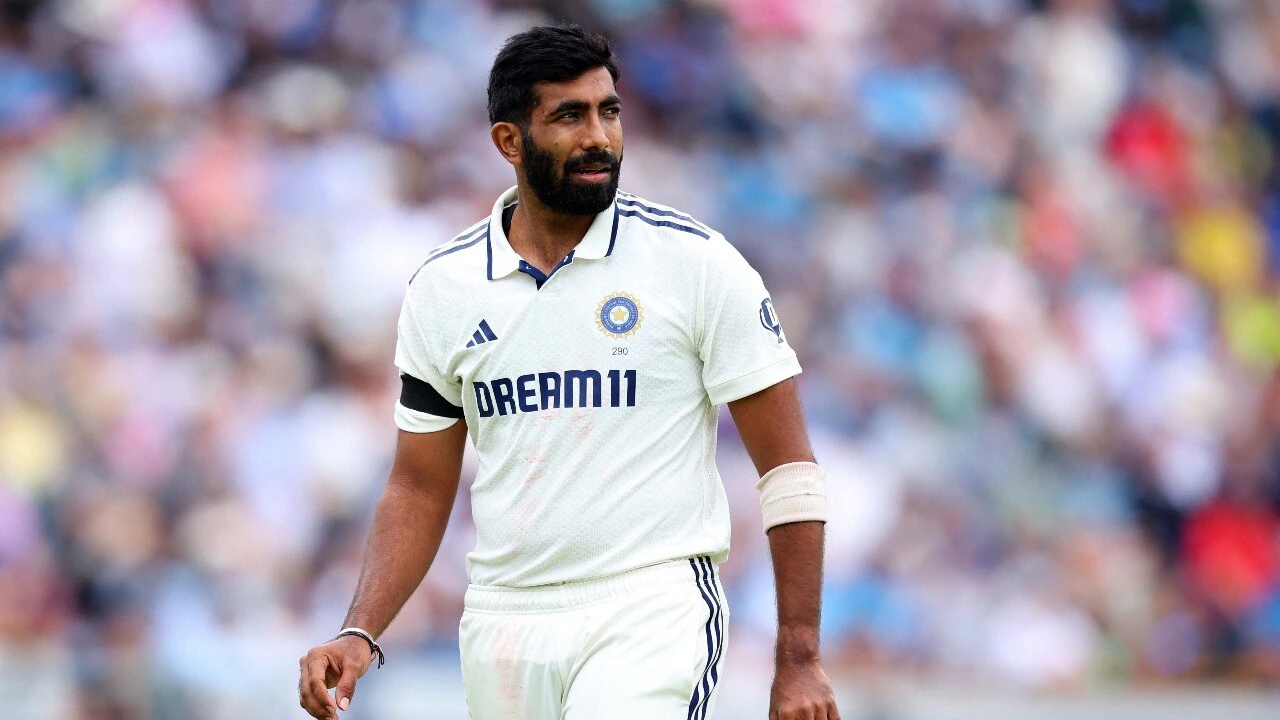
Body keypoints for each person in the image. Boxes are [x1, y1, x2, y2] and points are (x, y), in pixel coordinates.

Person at [298, 24, 839, 720]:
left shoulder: (695, 264)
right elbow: (418, 485)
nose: (599, 137)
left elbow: (789, 469)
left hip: (649, 607)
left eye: (609, 111)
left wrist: (798, 658)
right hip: (502, 621)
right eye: (569, 116)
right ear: (508, 141)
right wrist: (360, 629)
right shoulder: (445, 288)